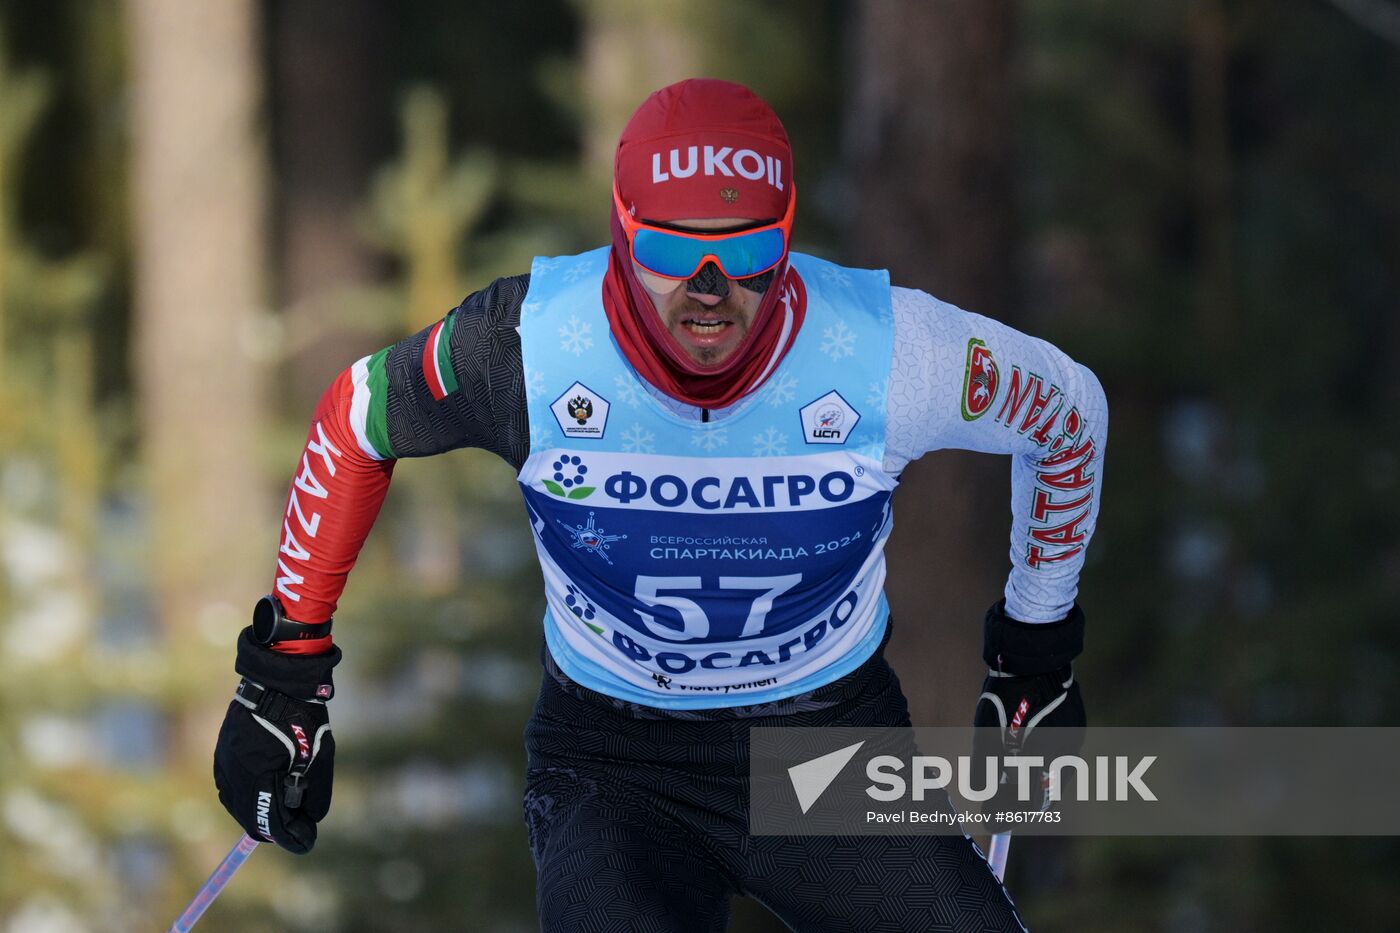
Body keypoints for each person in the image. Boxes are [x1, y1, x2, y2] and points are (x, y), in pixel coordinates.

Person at [213, 78, 1105, 932]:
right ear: (621, 231)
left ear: (787, 238)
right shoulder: (531, 346)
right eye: (673, 251)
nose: (709, 290)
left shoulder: (884, 350)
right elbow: (357, 419)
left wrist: (1035, 649)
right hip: (615, 761)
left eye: (747, 251)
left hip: (827, 748)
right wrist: (285, 672)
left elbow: (1070, 415)